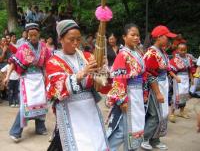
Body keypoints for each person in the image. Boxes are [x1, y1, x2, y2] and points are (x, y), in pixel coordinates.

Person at [46, 19, 109, 151]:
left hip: (89, 109)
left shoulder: (87, 56)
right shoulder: (54, 61)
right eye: (71, 39)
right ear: (61, 39)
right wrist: (81, 74)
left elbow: (102, 85)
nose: (76, 43)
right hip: (70, 109)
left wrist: (102, 70)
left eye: (78, 39)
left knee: (95, 142)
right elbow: (55, 89)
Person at [4, 23, 51, 142]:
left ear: (39, 34)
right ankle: (16, 132)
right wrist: (7, 76)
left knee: (41, 103)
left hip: (39, 78)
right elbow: (13, 63)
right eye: (31, 35)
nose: (33, 37)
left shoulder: (44, 47)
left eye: (35, 35)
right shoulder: (23, 47)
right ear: (28, 35)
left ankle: (40, 127)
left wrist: (48, 77)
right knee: (26, 105)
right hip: (27, 79)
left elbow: (48, 63)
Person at [106, 23, 148, 151]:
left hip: (137, 94)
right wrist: (121, 99)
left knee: (134, 126)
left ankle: (131, 148)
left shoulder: (138, 53)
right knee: (122, 128)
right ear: (124, 37)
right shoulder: (122, 54)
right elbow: (119, 78)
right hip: (128, 93)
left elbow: (144, 74)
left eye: (138, 35)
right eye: (132, 35)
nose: (136, 37)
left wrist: (145, 93)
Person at [141, 25, 177, 150]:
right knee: (155, 114)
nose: (168, 39)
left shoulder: (162, 51)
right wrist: (157, 93)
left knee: (163, 114)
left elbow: (166, 69)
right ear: (159, 37)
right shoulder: (151, 53)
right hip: (155, 87)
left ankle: (155, 139)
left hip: (163, 84)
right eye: (167, 37)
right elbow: (149, 74)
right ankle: (145, 138)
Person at [169, 43, 194, 123]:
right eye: (181, 50)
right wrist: (176, 77)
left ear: (186, 50)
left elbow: (190, 69)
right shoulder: (174, 59)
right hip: (178, 79)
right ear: (177, 50)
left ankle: (181, 111)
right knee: (176, 96)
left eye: (184, 50)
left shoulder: (189, 58)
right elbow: (169, 70)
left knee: (185, 95)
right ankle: (172, 113)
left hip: (186, 79)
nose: (183, 51)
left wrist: (192, 78)